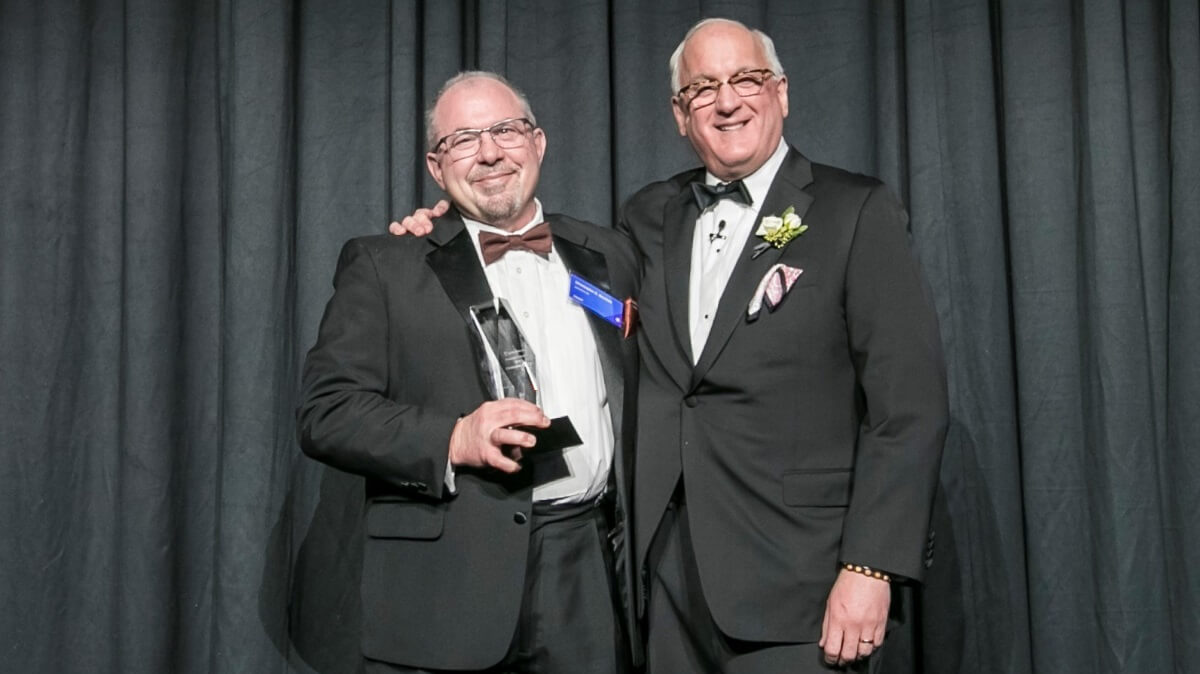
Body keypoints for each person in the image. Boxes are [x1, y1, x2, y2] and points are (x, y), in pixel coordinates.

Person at [391, 18, 948, 673]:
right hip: (660, 589)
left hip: (805, 584)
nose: (727, 101)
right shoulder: (648, 216)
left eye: (746, 79)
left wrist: (870, 565)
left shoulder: (855, 210)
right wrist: (445, 229)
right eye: (702, 89)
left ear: (783, 93)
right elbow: (595, 309)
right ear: (681, 115)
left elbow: (908, 406)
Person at [299, 71, 639, 673]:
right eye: (463, 139)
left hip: (586, 574)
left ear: (538, 143)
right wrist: (453, 438)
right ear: (437, 167)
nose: (489, 152)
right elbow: (326, 412)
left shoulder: (610, 255)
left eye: (505, 130)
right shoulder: (387, 264)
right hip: (447, 586)